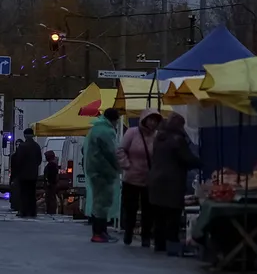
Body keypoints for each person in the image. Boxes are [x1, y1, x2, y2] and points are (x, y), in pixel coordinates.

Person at [148, 113, 201, 255]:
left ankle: (159, 245)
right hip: (172, 183)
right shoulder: (178, 140)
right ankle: (171, 244)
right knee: (173, 216)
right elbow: (188, 159)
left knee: (159, 216)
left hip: (155, 180)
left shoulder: (159, 138)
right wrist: (202, 163)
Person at [118, 108, 162, 247]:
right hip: (131, 178)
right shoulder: (132, 133)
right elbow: (121, 150)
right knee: (130, 208)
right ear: (144, 120)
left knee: (148, 210)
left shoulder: (157, 136)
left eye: (155, 120)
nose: (153, 123)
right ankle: (128, 233)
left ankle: (146, 237)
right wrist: (127, 165)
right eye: (151, 119)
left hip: (149, 179)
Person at [83, 108, 121, 243]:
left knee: (99, 201)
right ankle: (99, 232)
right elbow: (112, 152)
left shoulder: (95, 128)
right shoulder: (107, 131)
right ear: (115, 120)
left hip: (94, 170)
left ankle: (101, 232)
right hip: (103, 171)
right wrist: (120, 167)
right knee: (102, 203)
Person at [10, 129, 43, 218]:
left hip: (23, 174)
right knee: (32, 193)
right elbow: (39, 160)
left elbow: (18, 160)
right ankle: (32, 211)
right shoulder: (36, 146)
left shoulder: (22, 146)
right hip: (33, 174)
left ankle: (23, 211)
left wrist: (17, 172)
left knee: (23, 193)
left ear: (25, 135)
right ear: (33, 135)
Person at [42, 150, 60, 215]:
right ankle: (51, 211)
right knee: (51, 198)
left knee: (50, 198)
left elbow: (50, 175)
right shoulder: (54, 165)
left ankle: (50, 211)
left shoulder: (51, 165)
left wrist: (48, 182)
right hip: (52, 184)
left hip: (50, 185)